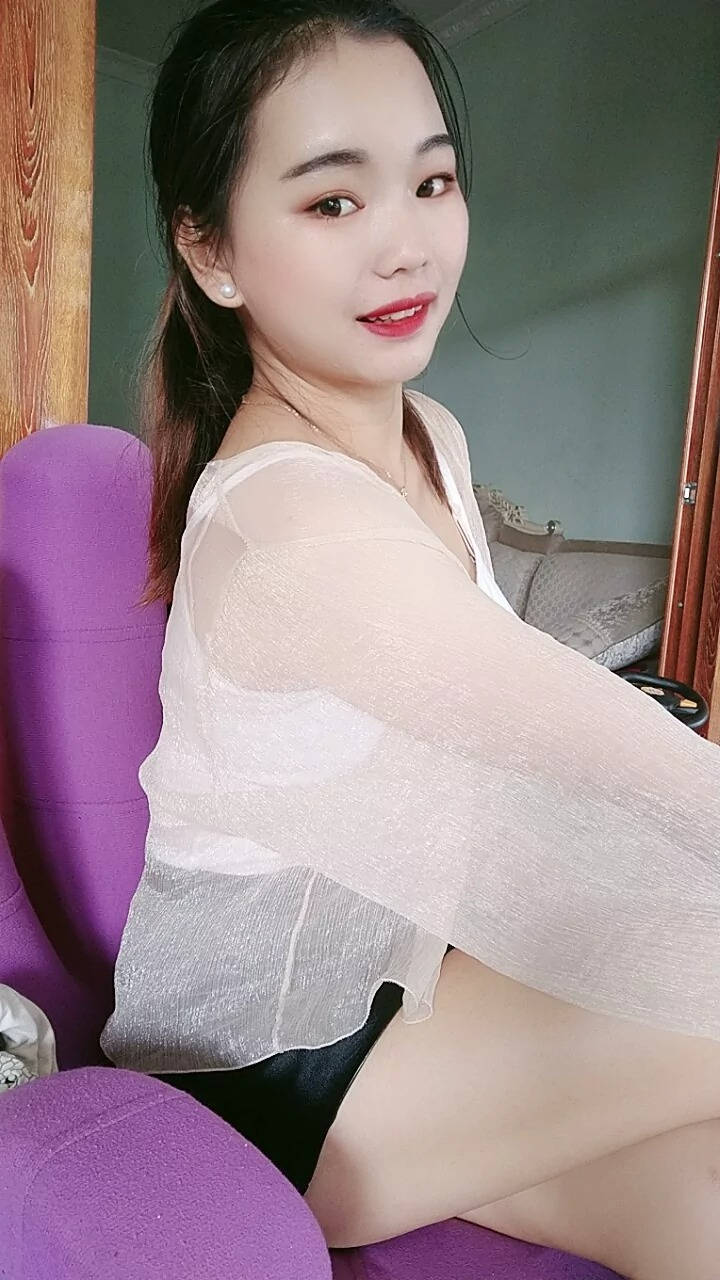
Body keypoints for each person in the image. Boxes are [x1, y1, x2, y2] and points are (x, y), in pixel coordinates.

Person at [100, 3, 720, 1275]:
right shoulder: (288, 523)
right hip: (271, 1078)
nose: (407, 245)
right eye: (333, 201)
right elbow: (597, 752)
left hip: (408, 979)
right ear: (211, 250)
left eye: (433, 182)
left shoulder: (431, 432)